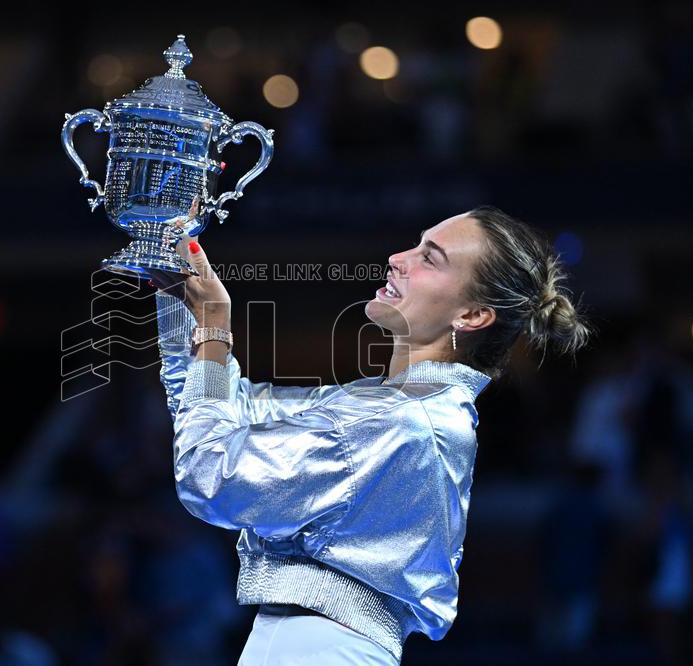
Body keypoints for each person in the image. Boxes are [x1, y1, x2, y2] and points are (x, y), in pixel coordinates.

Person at [147, 205, 592, 664]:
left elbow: (210, 472)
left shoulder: (402, 420)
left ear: (473, 314)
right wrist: (188, 303)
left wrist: (214, 327)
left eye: (430, 258)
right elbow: (220, 412)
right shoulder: (385, 406)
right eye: (416, 244)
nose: (398, 257)